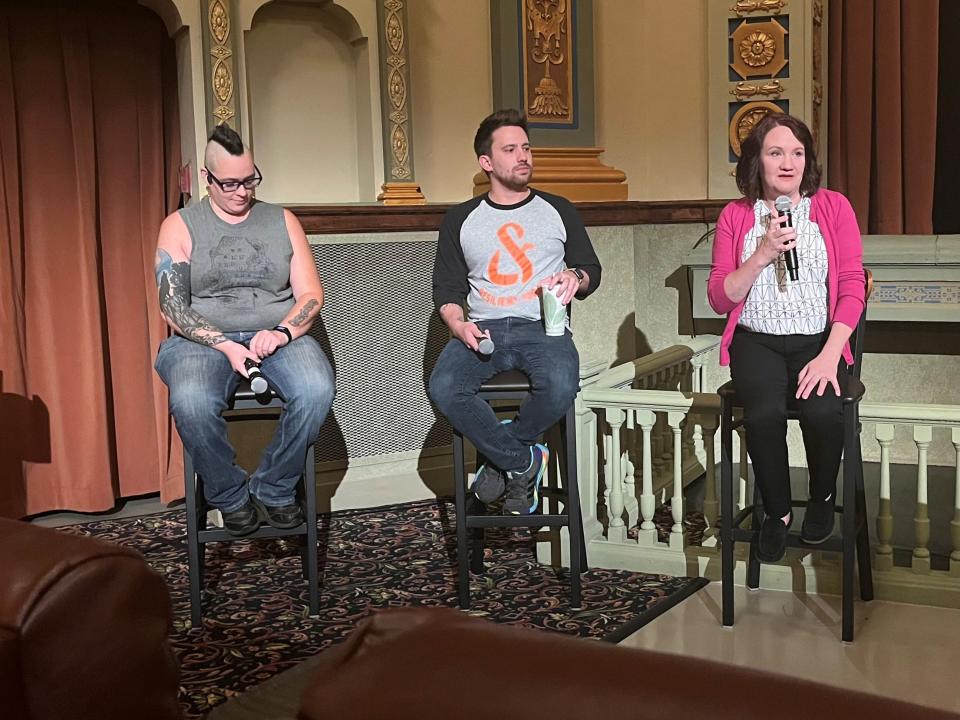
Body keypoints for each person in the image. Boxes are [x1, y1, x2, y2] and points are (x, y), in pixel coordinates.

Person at [154, 124, 334, 536]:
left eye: (250, 180)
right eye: (230, 183)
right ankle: (229, 495)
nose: (242, 191)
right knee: (192, 401)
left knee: (316, 389)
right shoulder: (180, 225)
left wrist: (284, 332)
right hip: (200, 340)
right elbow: (172, 306)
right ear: (207, 179)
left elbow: (310, 294)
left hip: (276, 333)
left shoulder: (282, 220)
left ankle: (273, 487)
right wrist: (224, 345)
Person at [708, 113, 865, 562]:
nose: (787, 162)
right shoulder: (735, 216)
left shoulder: (833, 207)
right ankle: (775, 512)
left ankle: (819, 498)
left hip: (818, 340)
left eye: (797, 153)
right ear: (757, 160)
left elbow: (852, 285)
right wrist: (761, 254)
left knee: (822, 411)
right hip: (756, 340)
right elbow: (720, 297)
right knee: (762, 415)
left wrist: (830, 353)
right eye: (776, 152)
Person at [429, 109, 602, 515]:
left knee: (560, 385)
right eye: (510, 149)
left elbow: (592, 270)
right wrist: (458, 326)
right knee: (445, 387)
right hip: (483, 326)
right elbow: (447, 289)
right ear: (486, 162)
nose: (523, 156)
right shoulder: (460, 219)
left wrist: (576, 278)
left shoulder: (559, 209)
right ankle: (525, 461)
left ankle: (501, 459)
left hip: (543, 327)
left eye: (526, 147)